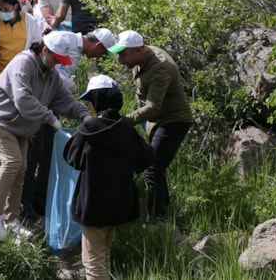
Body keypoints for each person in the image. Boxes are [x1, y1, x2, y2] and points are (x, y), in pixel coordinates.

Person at [0, 31, 92, 239]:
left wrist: (84, 116)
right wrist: (50, 118)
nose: (57, 64)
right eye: (55, 59)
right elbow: (22, 99)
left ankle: (11, 218)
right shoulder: (24, 63)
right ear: (44, 50)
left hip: (21, 126)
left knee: (21, 168)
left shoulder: (51, 74)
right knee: (12, 162)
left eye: (60, 61)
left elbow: (64, 99)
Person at [20, 27, 117, 219]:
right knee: (32, 155)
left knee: (48, 153)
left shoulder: (76, 49)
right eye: (102, 52)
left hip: (51, 105)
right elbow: (46, 66)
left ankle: (41, 201)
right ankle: (24, 202)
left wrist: (81, 114)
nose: (99, 56)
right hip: (35, 106)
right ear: (98, 45)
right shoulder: (62, 39)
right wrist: (64, 83)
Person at [64, 75, 154, 280]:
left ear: (96, 102)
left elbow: (71, 157)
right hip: (120, 204)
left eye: (89, 101)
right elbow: (147, 157)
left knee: (93, 261)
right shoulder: (127, 128)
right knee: (104, 254)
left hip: (92, 205)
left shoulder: (88, 130)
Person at [108, 30, 194, 223]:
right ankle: (163, 215)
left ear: (138, 50)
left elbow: (153, 108)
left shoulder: (159, 67)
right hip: (158, 121)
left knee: (152, 168)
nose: (120, 59)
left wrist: (124, 122)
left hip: (174, 121)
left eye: (123, 54)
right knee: (157, 167)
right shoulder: (139, 60)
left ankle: (154, 221)